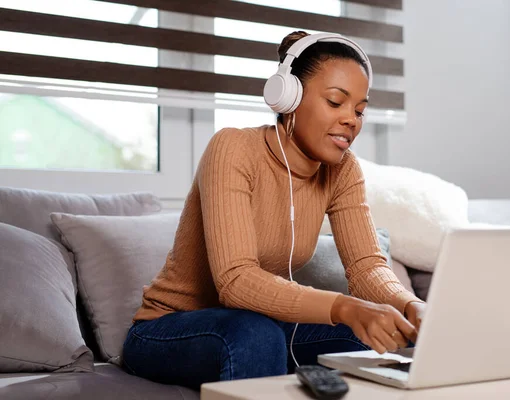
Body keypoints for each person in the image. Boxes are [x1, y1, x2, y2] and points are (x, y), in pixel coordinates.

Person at [122, 30, 426, 390]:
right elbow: (235, 281)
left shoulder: (343, 169)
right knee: (257, 334)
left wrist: (410, 305)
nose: (351, 120)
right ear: (288, 98)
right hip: (168, 329)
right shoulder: (232, 148)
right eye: (335, 102)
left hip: (257, 323)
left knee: (366, 337)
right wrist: (345, 306)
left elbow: (366, 267)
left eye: (359, 110)